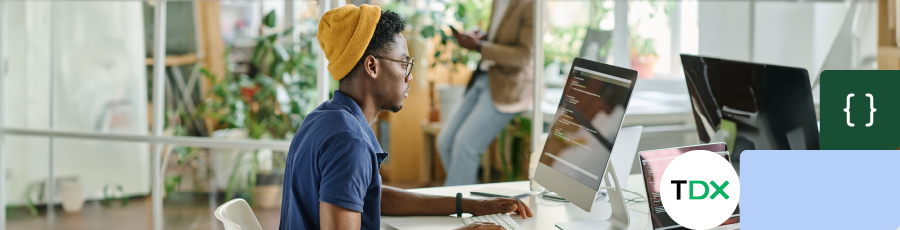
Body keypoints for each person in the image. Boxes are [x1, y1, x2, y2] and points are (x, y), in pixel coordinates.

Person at [278, 4, 533, 230]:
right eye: (403, 63)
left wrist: (471, 205)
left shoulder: (323, 118)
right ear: (372, 66)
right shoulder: (349, 143)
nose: (408, 76)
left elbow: (371, 195)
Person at [438, 0, 535, 186]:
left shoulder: (532, 5)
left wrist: (480, 47)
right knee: (445, 142)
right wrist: (481, 39)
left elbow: (525, 56)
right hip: (484, 77)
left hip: (509, 86)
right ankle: (467, 201)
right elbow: (499, 39)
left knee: (465, 147)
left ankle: (458, 208)